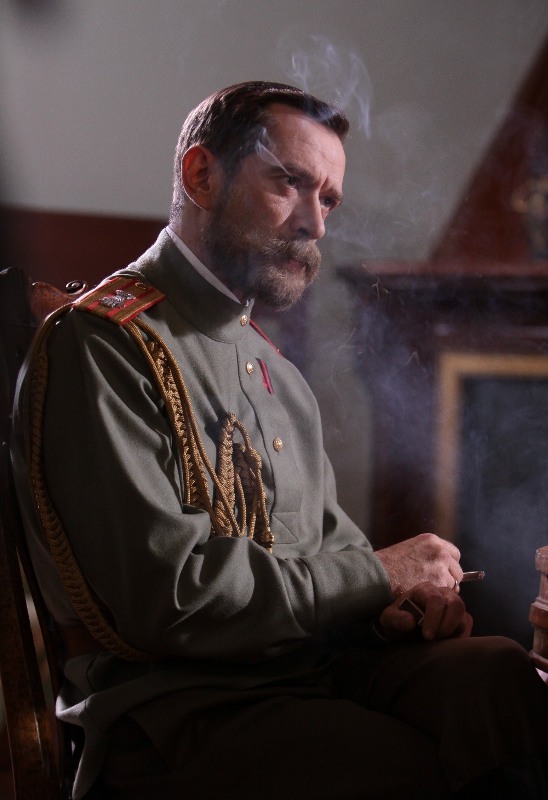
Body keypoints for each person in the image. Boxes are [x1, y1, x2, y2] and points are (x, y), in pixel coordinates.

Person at [11, 81, 548, 799]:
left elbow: (336, 559)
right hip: (178, 711)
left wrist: (394, 611)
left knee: (499, 675)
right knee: (408, 768)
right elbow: (171, 601)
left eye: (329, 200)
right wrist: (379, 575)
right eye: (289, 183)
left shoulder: (278, 373)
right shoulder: (101, 345)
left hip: (307, 673)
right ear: (201, 175)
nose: (315, 223)